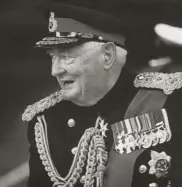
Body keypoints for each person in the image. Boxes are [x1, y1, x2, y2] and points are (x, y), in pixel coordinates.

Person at [22, 2, 182, 187]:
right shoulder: (45, 121)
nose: (55, 71)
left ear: (107, 56)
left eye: (66, 57)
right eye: (53, 57)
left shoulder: (170, 102)